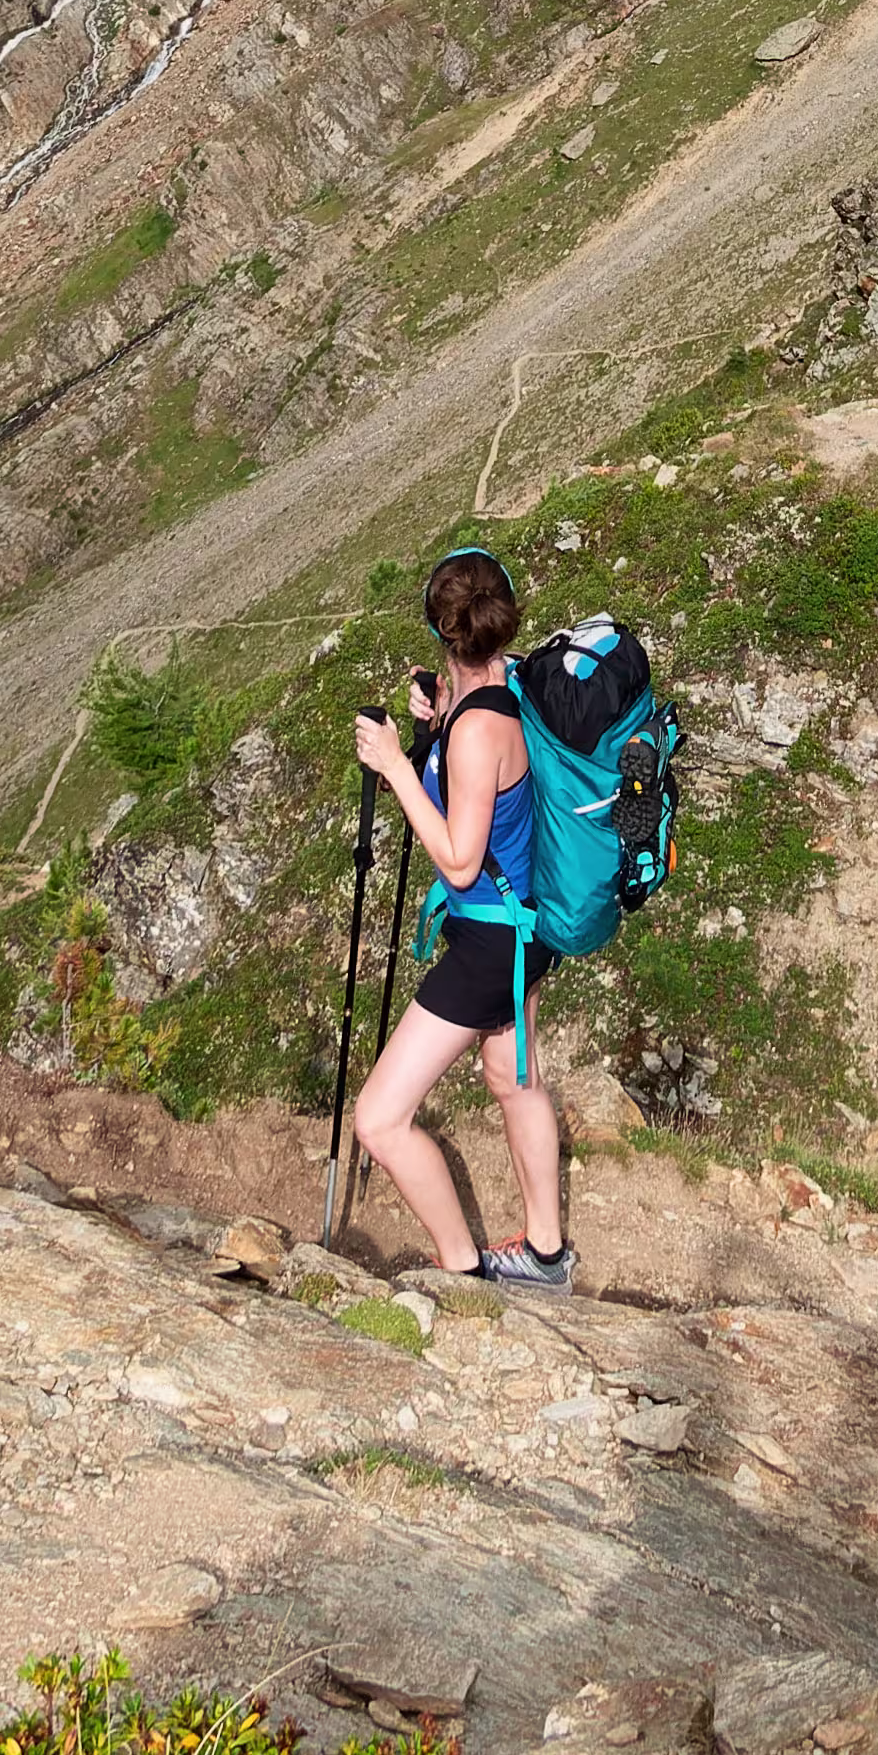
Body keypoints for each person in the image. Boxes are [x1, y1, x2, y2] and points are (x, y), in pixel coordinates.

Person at [346, 545, 574, 1291]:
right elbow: (492, 768)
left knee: (379, 1120)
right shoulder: (506, 693)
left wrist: (397, 766)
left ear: (446, 634)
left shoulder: (478, 731)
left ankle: (461, 1269)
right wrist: (440, 716)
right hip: (526, 926)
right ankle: (545, 1256)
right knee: (515, 1082)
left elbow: (459, 862)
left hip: (487, 943)